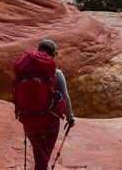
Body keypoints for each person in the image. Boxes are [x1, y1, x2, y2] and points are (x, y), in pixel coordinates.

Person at [23, 39, 75, 170]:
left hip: (28, 120)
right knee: (43, 159)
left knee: (38, 154)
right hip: (49, 121)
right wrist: (70, 118)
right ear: (52, 54)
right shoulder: (56, 73)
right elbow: (66, 98)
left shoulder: (25, 72)